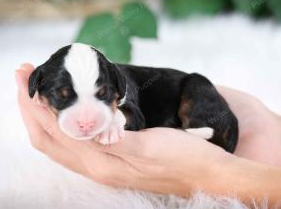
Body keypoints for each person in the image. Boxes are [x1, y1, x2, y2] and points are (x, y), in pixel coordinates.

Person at [16, 63, 281, 207]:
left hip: (194, 106)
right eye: (63, 98)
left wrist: (218, 174)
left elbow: (132, 116)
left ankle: (204, 133)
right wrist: (268, 129)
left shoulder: (125, 91)